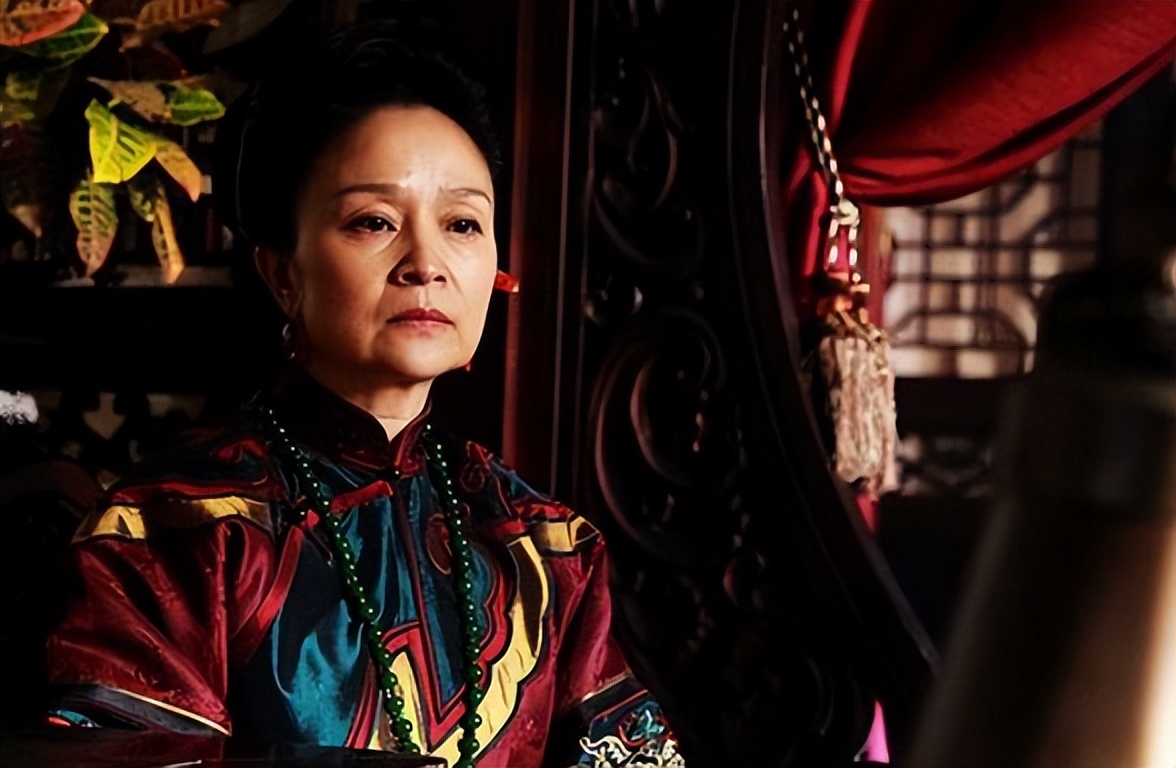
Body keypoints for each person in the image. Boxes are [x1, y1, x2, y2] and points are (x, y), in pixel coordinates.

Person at [43, 24, 685, 768]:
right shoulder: (177, 531)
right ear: (284, 273)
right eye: (373, 222)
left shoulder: (547, 547)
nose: (426, 263)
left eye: (462, 224)